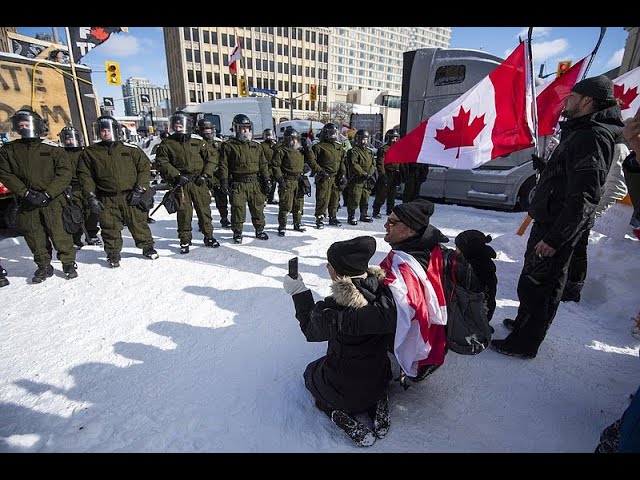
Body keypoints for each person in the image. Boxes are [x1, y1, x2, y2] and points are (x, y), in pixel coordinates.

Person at [492, 75, 624, 359]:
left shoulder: (593, 135)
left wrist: (556, 238)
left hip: (557, 226)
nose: (566, 101)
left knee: (542, 285)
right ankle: (525, 325)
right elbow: (569, 176)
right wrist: (548, 167)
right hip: (550, 220)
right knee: (531, 280)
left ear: (588, 100)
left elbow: (585, 195)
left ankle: (524, 344)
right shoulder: (581, 130)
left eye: (572, 97)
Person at [282, 236, 396, 447]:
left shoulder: (334, 310)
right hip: (380, 377)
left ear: (340, 272)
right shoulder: (387, 296)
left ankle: (334, 410)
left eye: (330, 264)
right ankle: (377, 400)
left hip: (343, 391)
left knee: (310, 372)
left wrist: (298, 291)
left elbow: (310, 329)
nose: (327, 266)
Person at [0, 109, 78, 282]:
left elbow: (65, 173)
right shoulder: (9, 150)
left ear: (35, 125)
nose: (23, 128)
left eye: (27, 124)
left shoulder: (52, 149)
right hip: (28, 201)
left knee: (59, 233)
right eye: (20, 125)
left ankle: (68, 263)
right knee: (34, 235)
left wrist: (49, 193)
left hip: (53, 200)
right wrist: (25, 193)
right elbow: (5, 173)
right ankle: (44, 265)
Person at [77, 115, 158, 268]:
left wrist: (139, 189)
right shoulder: (90, 152)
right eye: (102, 131)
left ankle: (147, 247)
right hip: (106, 197)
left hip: (131, 194)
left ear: (115, 131)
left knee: (138, 223)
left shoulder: (131, 149)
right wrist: (90, 196)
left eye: (107, 130)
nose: (105, 133)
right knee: (109, 227)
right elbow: (84, 175)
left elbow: (144, 169)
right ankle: (113, 254)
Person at [562, 138, 629, 302]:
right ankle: (562, 285)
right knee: (566, 248)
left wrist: (592, 211)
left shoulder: (617, 146)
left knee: (577, 249)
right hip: (572, 206)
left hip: (587, 209)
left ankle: (572, 290)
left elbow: (617, 188)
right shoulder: (591, 137)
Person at [155, 112, 220, 253]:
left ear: (187, 125)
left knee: (204, 211)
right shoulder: (167, 144)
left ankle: (208, 236)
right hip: (181, 183)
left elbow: (212, 157)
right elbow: (161, 162)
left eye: (181, 124)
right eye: (176, 124)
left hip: (198, 182)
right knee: (184, 213)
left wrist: (206, 174)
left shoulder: (198, 141)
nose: (178, 127)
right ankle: (185, 240)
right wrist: (176, 175)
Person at [218, 114, 271, 244]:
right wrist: (224, 181)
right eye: (242, 128)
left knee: (257, 208)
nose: (245, 131)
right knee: (237, 209)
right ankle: (237, 232)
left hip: (254, 182)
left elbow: (263, 164)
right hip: (238, 182)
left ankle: (259, 229)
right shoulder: (229, 146)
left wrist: (267, 179)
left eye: (247, 128)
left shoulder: (256, 146)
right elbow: (223, 165)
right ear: (236, 129)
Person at [59, 126, 101, 248]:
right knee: (74, 213)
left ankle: (92, 233)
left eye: (72, 138)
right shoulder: (60, 154)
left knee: (91, 211)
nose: (69, 141)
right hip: (71, 188)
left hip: (87, 185)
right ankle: (76, 237)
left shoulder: (85, 152)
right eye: (67, 138)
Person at [305, 122, 346, 229]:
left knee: (335, 198)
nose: (333, 136)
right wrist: (320, 171)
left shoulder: (339, 146)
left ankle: (333, 217)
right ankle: (320, 218)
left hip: (335, 177)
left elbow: (342, 161)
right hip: (324, 177)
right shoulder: (319, 147)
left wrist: (343, 173)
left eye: (334, 133)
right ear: (325, 134)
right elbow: (312, 161)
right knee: (322, 198)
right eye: (331, 134)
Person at [454, 229, 498, 322]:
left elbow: (484, 299)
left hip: (478, 313)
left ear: (468, 251)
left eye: (458, 248)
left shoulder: (478, 269)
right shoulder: (480, 259)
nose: (455, 251)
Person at [195, 119, 230, 229]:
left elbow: (225, 159)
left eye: (208, 129)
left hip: (217, 176)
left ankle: (224, 218)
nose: (207, 132)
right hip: (202, 176)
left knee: (222, 199)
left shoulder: (219, 144)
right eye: (204, 129)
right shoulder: (196, 145)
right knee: (202, 202)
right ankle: (203, 222)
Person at [271, 128, 307, 236]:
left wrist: (306, 146)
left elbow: (310, 158)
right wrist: (280, 179)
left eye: (296, 139)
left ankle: (297, 222)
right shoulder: (281, 150)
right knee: (286, 204)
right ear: (287, 140)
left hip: (298, 180)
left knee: (299, 203)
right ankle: (282, 226)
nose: (295, 141)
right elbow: (275, 166)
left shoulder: (300, 150)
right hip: (287, 180)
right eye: (292, 139)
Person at [345, 129, 376, 225]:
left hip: (367, 179)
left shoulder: (370, 151)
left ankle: (364, 214)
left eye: (366, 139)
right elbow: (354, 164)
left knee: (365, 198)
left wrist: (370, 173)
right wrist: (363, 173)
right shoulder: (353, 151)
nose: (364, 141)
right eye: (363, 139)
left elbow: (373, 164)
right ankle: (351, 216)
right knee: (355, 197)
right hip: (357, 178)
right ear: (358, 139)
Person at [372, 129, 401, 218]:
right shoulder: (383, 149)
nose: (395, 141)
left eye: (396, 139)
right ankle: (376, 211)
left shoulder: (398, 149)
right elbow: (380, 163)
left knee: (392, 194)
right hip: (386, 173)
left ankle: (390, 210)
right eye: (393, 139)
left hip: (394, 174)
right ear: (388, 138)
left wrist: (401, 173)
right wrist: (382, 174)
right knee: (381, 194)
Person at [260, 128, 279, 205]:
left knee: (273, 183)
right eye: (267, 135)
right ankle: (264, 198)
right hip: (265, 166)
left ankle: (270, 198)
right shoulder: (262, 146)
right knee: (265, 182)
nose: (268, 137)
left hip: (273, 167)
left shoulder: (275, 145)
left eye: (269, 135)